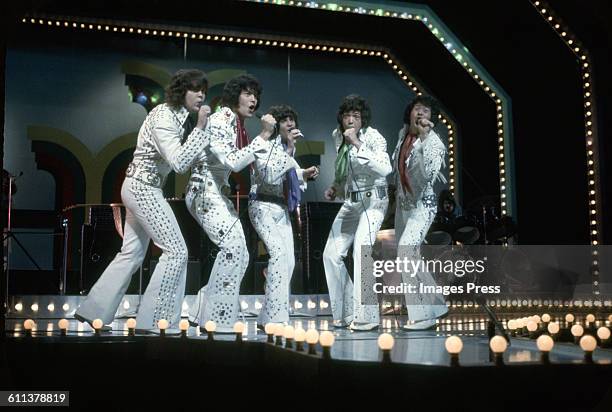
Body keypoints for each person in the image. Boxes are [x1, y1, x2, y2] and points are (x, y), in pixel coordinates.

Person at [75, 69, 211, 332]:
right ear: (181, 91)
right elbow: (179, 162)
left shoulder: (176, 117)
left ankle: (94, 311)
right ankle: (155, 319)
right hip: (143, 189)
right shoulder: (163, 116)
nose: (201, 95)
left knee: (132, 253)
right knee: (177, 251)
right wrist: (201, 128)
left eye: (203, 90)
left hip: (143, 187)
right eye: (195, 89)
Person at [185, 74, 275, 333]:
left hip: (215, 193)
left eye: (255, 95)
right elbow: (234, 162)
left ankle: (201, 310)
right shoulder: (223, 119)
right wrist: (265, 135)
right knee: (235, 249)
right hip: (204, 191)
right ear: (234, 96)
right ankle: (218, 317)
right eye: (247, 93)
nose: (253, 99)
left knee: (242, 254)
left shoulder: (238, 125)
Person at [322, 94, 392, 331]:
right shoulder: (336, 136)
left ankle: (368, 316)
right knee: (330, 254)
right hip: (352, 201)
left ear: (363, 119)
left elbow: (385, 168)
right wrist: (335, 186)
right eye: (346, 115)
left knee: (361, 251)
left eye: (356, 116)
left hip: (375, 200)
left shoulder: (373, 137)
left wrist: (357, 144)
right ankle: (346, 311)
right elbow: (345, 172)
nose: (350, 120)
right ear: (341, 118)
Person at [248, 105, 318, 326]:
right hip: (261, 204)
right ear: (276, 124)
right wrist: (288, 150)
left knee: (287, 260)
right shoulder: (265, 144)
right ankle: (276, 318)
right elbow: (269, 174)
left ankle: (267, 315)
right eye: (285, 120)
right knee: (278, 255)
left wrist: (303, 174)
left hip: (280, 207)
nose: (291, 124)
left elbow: (288, 173)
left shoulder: (287, 147)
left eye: (292, 120)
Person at [391, 95, 449, 330]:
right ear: (410, 113)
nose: (421, 113)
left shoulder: (435, 143)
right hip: (403, 206)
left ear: (431, 118)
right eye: (417, 109)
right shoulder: (403, 136)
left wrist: (425, 140)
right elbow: (397, 170)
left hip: (423, 206)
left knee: (406, 252)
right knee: (409, 256)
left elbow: (427, 177)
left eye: (426, 111)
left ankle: (424, 316)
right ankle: (437, 303)